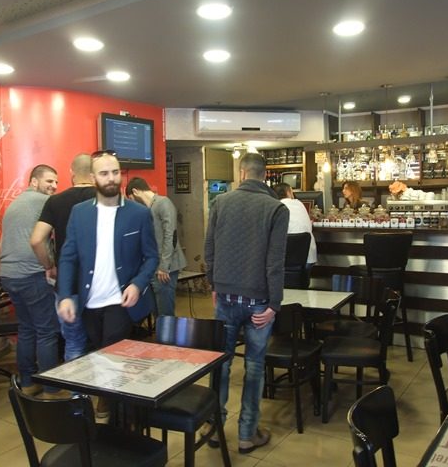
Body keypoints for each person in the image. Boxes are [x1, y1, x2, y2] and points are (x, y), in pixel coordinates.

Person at [204, 152, 289, 455]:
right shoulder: (276, 208)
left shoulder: (220, 203)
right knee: (254, 367)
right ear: (265, 175)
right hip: (259, 303)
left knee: (221, 364)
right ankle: (247, 434)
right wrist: (275, 304)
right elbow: (275, 261)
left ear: (242, 173)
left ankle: (213, 427)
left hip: (225, 297)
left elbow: (210, 247)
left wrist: (213, 284)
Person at [57, 151, 158, 353]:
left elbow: (152, 256)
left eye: (115, 172)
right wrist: (65, 295)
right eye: (104, 173)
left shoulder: (139, 213)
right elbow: (68, 258)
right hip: (89, 302)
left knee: (110, 357)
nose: (111, 178)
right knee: (96, 356)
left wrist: (137, 284)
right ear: (93, 178)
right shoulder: (80, 212)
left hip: (120, 302)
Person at [0, 164, 62, 398]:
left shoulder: (15, 203)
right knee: (46, 332)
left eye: (56, 182)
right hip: (31, 274)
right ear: (34, 181)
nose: (54, 186)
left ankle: (27, 382)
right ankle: (51, 388)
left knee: (26, 329)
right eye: (49, 181)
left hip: (8, 275)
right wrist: (49, 265)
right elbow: (38, 241)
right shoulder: (44, 202)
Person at [30, 154, 95, 361]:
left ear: (71, 173)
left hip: (68, 283)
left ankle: (75, 384)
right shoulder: (106, 200)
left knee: (74, 342)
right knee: (104, 345)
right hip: (100, 284)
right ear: (94, 174)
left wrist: (49, 265)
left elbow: (37, 240)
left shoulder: (55, 201)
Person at [126, 177, 187, 317]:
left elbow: (171, 235)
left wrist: (164, 266)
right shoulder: (147, 209)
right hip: (154, 267)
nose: (132, 203)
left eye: (131, 199)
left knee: (165, 312)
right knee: (156, 311)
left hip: (166, 268)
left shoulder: (163, 203)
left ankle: (167, 332)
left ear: (135, 191)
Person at [273, 182, 317, 270]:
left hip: (283, 263)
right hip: (307, 260)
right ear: (289, 193)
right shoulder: (300, 204)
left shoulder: (274, 207)